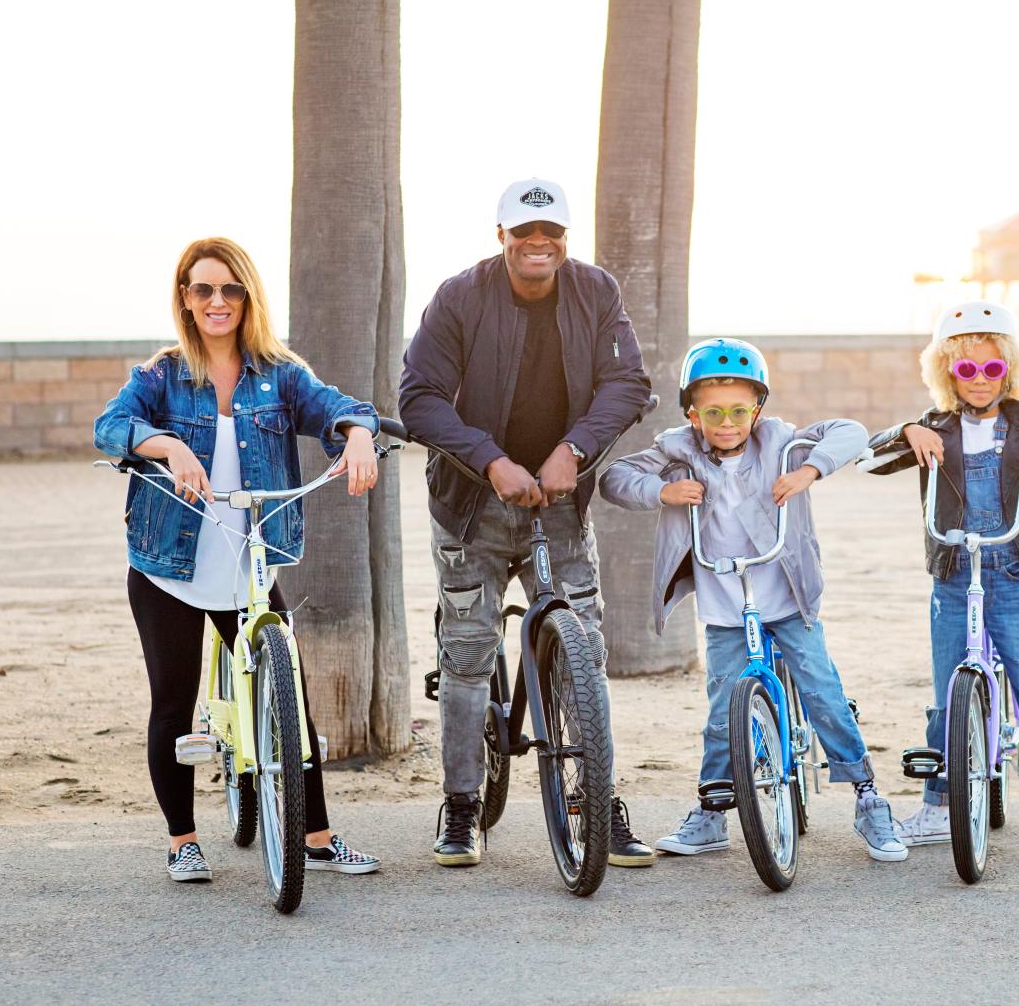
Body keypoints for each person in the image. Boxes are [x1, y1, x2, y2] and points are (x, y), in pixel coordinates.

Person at [94, 237, 382, 882]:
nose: (217, 301)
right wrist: (166, 443)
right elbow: (109, 426)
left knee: (292, 697)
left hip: (251, 561)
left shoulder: (280, 373)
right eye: (203, 289)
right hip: (169, 562)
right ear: (186, 299)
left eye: (230, 288)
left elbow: (339, 407)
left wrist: (358, 434)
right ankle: (183, 841)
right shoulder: (160, 376)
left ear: (247, 296)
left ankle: (317, 837)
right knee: (172, 700)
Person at [399, 178, 655, 867]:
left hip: (559, 505)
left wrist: (573, 450)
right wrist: (490, 461)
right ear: (502, 237)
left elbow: (629, 382)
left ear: (564, 240)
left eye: (551, 235)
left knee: (585, 646)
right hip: (472, 507)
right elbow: (418, 396)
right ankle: (460, 805)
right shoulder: (460, 296)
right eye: (524, 234)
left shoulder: (596, 292)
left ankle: (595, 799)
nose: (538, 245)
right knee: (469, 650)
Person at [599, 337, 908, 861]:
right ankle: (713, 813)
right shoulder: (678, 450)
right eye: (713, 411)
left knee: (822, 690)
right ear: (693, 413)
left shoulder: (782, 443)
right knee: (723, 710)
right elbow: (615, 477)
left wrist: (810, 470)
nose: (726, 421)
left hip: (786, 599)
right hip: (724, 607)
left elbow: (850, 432)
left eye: (739, 410)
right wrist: (662, 492)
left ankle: (867, 796)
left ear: (757, 409)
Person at [866, 301, 1019, 859]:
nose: (980, 380)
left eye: (992, 369)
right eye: (965, 370)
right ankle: (936, 806)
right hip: (955, 573)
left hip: (1011, 571)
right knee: (944, 701)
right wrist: (907, 430)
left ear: (1010, 369)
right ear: (945, 373)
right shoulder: (935, 428)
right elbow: (872, 458)